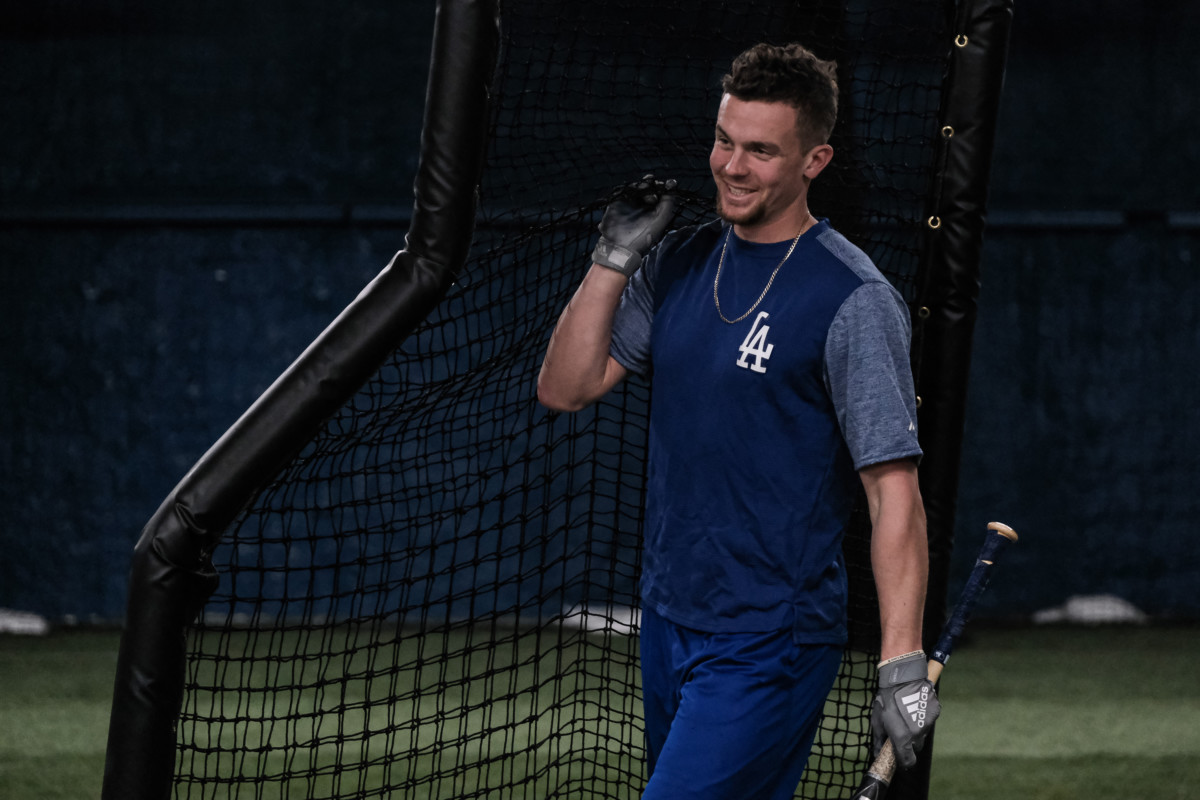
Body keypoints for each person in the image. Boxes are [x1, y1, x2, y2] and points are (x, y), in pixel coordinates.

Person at [537, 42, 938, 799]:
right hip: (669, 616)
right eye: (725, 141)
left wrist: (901, 663)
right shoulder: (681, 261)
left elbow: (894, 493)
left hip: (771, 638)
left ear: (814, 161)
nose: (732, 165)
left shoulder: (852, 298)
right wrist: (613, 258)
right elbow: (565, 387)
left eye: (760, 150)